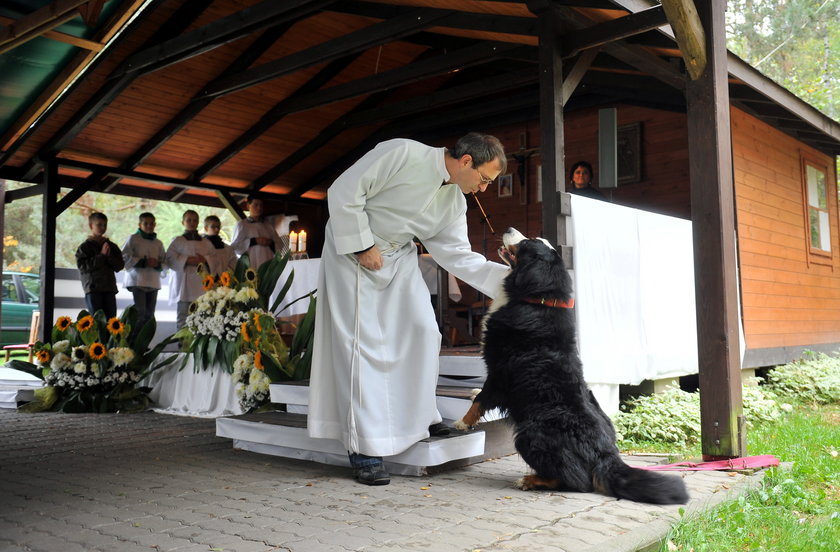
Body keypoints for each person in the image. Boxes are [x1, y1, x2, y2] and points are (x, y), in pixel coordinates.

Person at [307, 132, 510, 486]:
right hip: (352, 254)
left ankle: (419, 419)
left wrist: (514, 282)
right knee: (360, 347)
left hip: (398, 256)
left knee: (424, 330)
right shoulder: (402, 152)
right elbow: (343, 190)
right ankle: (363, 448)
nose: (483, 189)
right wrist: (361, 243)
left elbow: (458, 257)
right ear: (465, 161)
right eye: (484, 179)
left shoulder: (454, 201)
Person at [166, 210, 215, 329]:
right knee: (183, 317)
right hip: (184, 286)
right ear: (183, 222)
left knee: (203, 317)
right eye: (189, 220)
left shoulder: (206, 242)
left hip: (201, 285)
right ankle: (182, 345)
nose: (192, 223)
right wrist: (186, 260)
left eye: (195, 220)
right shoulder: (177, 241)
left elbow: (214, 258)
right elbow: (169, 258)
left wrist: (205, 259)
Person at [122, 212, 165, 338]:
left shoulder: (158, 243)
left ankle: (144, 343)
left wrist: (157, 263)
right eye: (146, 223)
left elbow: (165, 260)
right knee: (140, 313)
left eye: (152, 223)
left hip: (153, 281)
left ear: (155, 225)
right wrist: (143, 262)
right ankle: (133, 341)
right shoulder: (133, 238)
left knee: (150, 315)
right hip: (137, 280)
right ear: (139, 225)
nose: (149, 226)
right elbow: (125, 256)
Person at [75, 212, 125, 319]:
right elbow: (83, 267)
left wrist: (108, 256)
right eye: (99, 224)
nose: (102, 228)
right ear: (91, 226)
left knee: (111, 322)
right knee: (97, 322)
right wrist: (102, 255)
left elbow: (119, 266)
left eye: (105, 225)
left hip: (109, 289)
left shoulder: (111, 246)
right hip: (93, 289)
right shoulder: (85, 247)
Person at [230, 196, 289, 270]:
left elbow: (280, 246)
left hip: (268, 264)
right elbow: (235, 247)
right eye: (256, 205)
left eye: (261, 205)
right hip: (250, 266)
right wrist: (254, 241)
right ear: (248, 206)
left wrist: (270, 243)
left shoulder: (268, 225)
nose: (259, 208)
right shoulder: (242, 225)